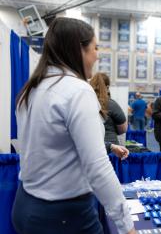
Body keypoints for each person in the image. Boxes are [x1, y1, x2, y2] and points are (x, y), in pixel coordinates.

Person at [12, 17, 135, 234]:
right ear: (79, 49)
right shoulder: (77, 91)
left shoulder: (33, 87)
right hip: (63, 216)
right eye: (94, 48)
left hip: (25, 204)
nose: (97, 55)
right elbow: (98, 167)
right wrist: (127, 226)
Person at [89, 72, 129, 158]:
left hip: (91, 147)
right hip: (112, 149)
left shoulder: (86, 102)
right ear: (107, 87)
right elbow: (123, 128)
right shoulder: (111, 104)